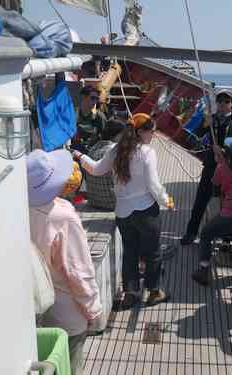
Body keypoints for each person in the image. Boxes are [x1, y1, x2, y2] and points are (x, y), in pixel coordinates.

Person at [73, 113, 173, 309]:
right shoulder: (147, 152)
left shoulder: (115, 150)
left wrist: (80, 155)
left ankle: (130, 294)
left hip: (123, 213)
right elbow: (153, 184)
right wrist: (166, 200)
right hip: (145, 211)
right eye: (150, 131)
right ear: (140, 132)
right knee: (153, 252)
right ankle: (154, 292)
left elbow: (95, 169)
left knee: (130, 252)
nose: (153, 135)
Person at [28, 149, 102, 375]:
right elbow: (79, 272)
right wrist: (93, 311)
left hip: (33, 310)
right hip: (67, 314)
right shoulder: (63, 216)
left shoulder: (17, 210)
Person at [180, 89, 232, 245]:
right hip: (210, 166)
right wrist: (203, 125)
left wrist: (223, 151)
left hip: (228, 169)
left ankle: (226, 237)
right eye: (220, 101)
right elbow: (193, 137)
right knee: (201, 200)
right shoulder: (211, 119)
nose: (222, 104)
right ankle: (191, 232)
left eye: (226, 101)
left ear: (231, 104)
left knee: (226, 203)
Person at [191, 137, 232, 286]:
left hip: (230, 216)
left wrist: (220, 161)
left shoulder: (221, 168)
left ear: (228, 156)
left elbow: (215, 189)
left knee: (206, 234)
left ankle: (203, 270)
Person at [85, 118, 127, 210]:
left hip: (93, 200)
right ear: (118, 135)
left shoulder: (93, 148)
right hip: (111, 202)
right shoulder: (114, 151)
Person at [72, 86, 107, 153]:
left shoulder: (99, 117)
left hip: (92, 153)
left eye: (96, 99)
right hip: (74, 152)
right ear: (83, 97)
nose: (95, 101)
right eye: (92, 98)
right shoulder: (73, 114)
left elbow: (104, 137)